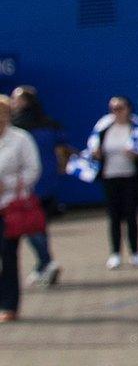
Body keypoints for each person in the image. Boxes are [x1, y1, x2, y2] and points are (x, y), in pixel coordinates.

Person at [80, 95, 138, 269]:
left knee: (131, 215)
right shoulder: (104, 127)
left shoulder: (137, 127)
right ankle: (115, 253)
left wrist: (136, 155)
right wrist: (96, 154)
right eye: (113, 108)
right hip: (110, 177)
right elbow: (93, 149)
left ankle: (135, 252)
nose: (116, 112)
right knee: (114, 216)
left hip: (130, 177)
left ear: (128, 108)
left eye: (120, 108)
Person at [8, 87, 60, 288]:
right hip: (43, 182)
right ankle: (44, 263)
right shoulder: (47, 123)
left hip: (29, 187)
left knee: (31, 226)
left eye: (17, 99)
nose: (14, 103)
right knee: (36, 226)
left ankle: (46, 262)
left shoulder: (19, 132)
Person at [0, 99, 41, 323]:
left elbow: (33, 170)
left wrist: (8, 184)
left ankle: (9, 304)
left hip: (11, 207)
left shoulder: (20, 139)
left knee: (7, 255)